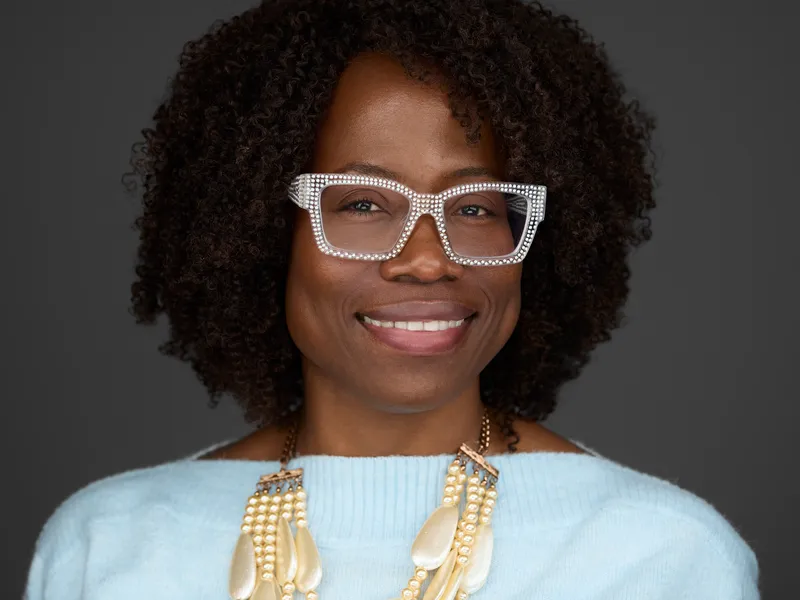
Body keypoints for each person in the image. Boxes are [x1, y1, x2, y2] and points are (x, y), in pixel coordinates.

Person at [25, 1, 759, 599]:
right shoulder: (111, 545)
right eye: (364, 204)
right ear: (258, 233)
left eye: (474, 208)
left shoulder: (659, 555)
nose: (425, 260)